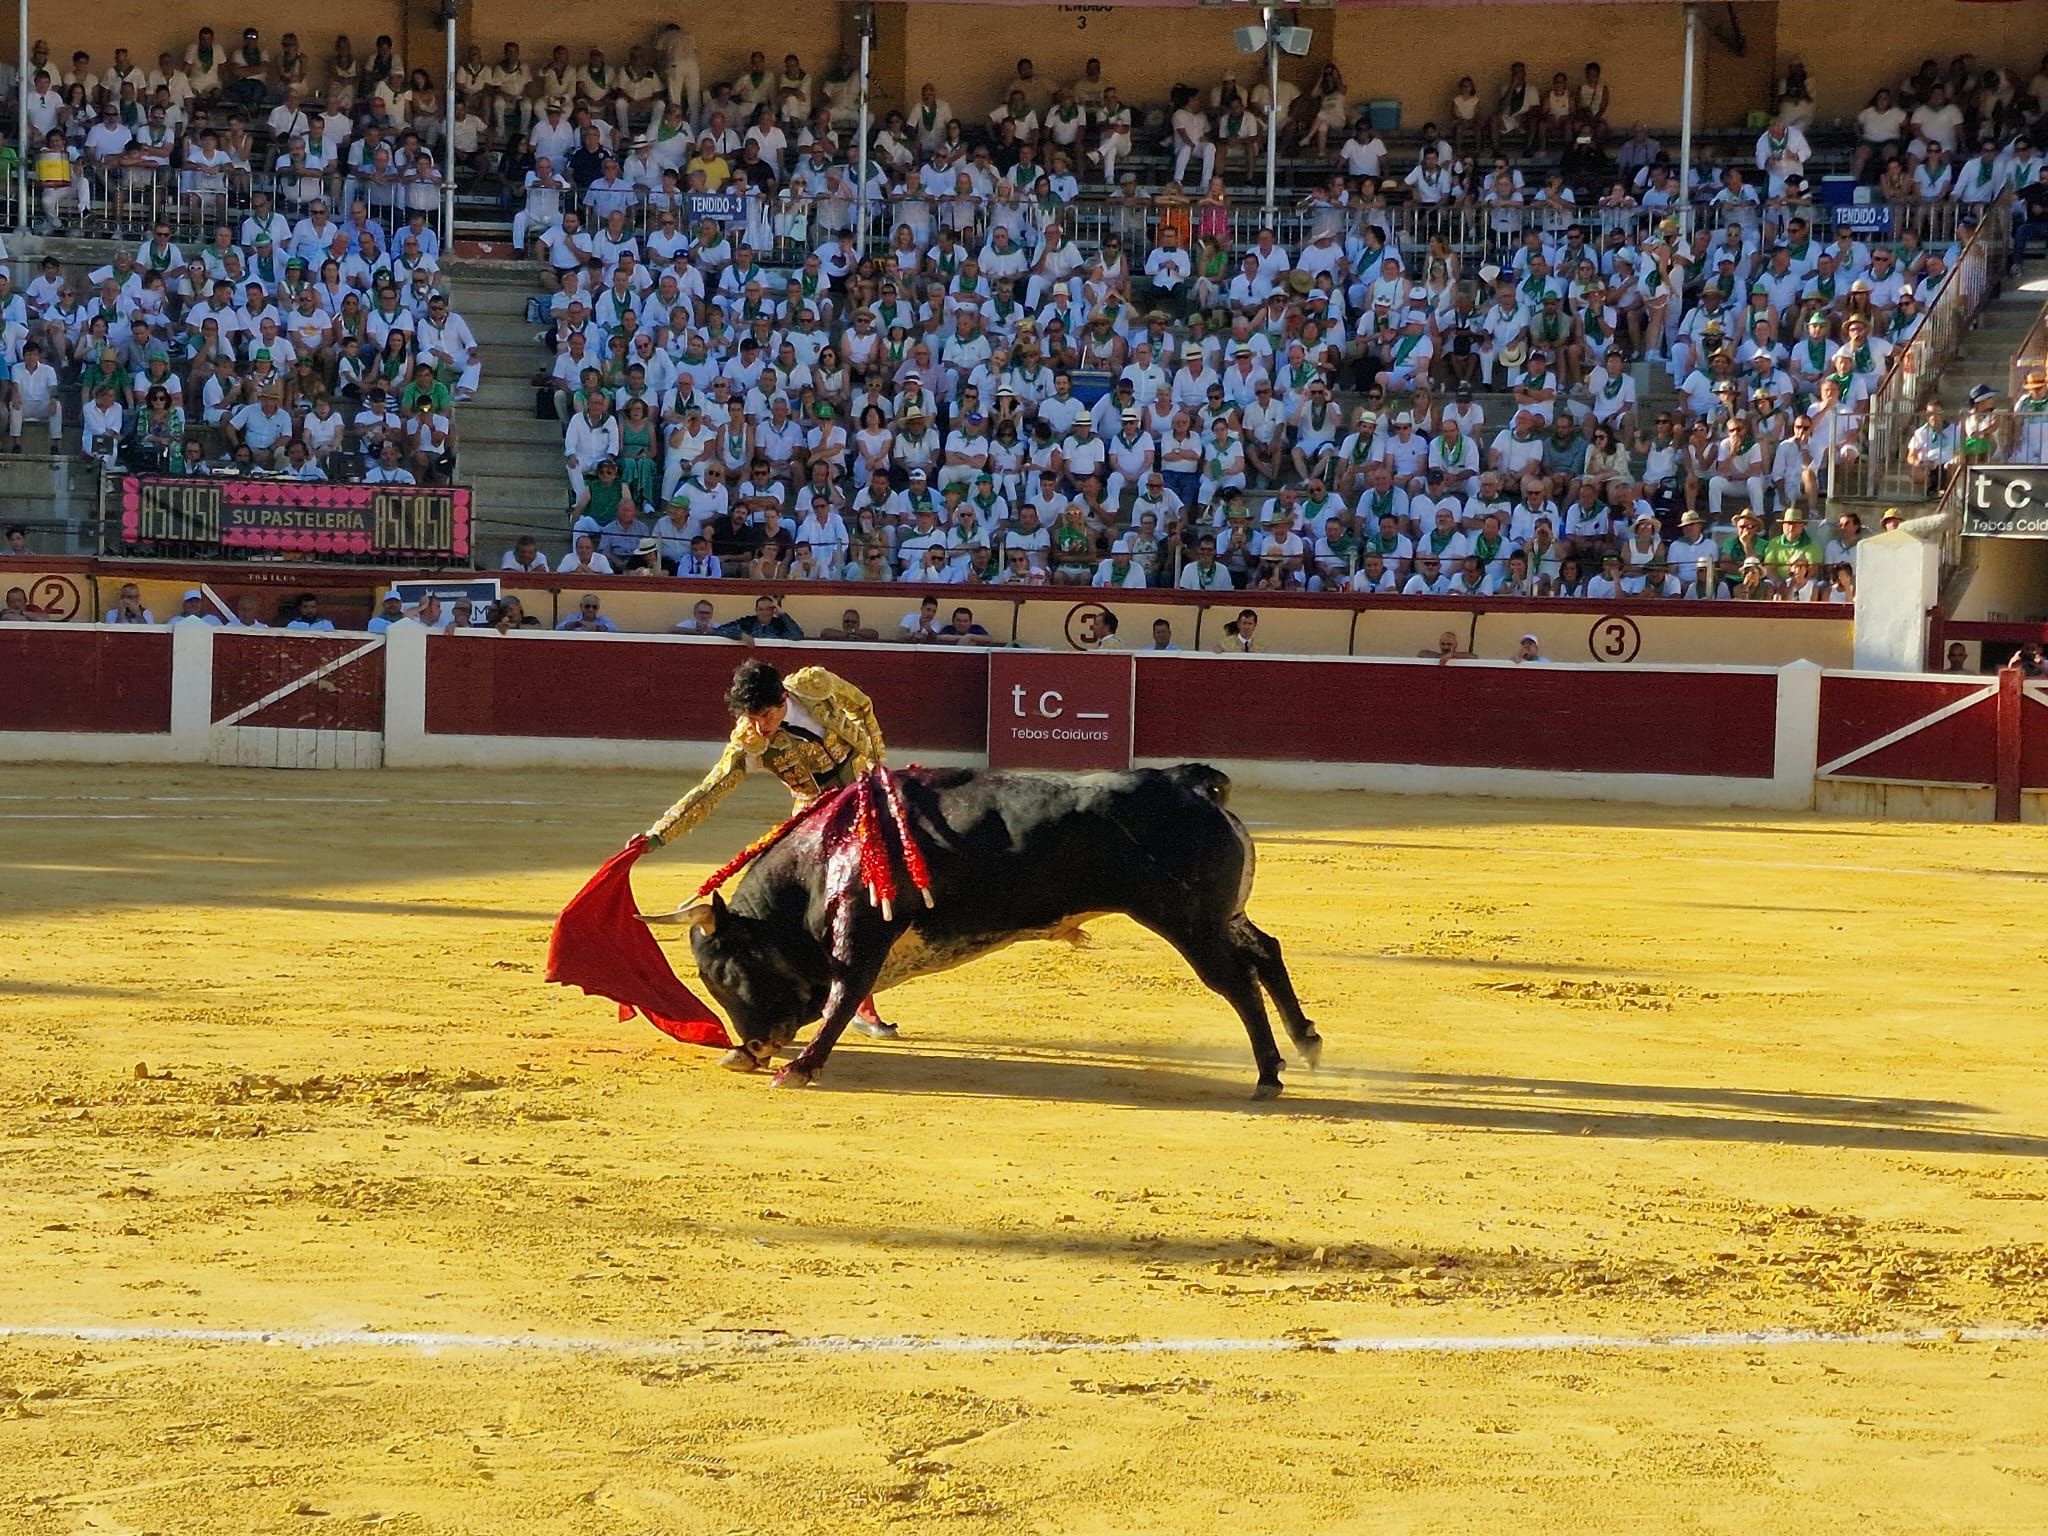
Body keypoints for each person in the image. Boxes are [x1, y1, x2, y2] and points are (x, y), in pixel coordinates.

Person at [641, 656, 898, 1049]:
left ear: (782, 700)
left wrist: (879, 761)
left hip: (866, 793)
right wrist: (661, 832)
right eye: (752, 718)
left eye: (764, 715)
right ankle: (849, 1002)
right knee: (829, 904)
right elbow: (715, 786)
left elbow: (861, 705)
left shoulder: (816, 685)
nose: (759, 726)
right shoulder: (750, 737)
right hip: (815, 814)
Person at [716, 592, 804, 642]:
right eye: (761, 609)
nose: (764, 613)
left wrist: (782, 615)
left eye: (767, 609)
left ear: (773, 611)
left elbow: (798, 635)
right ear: (756, 611)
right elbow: (720, 630)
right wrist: (740, 635)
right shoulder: (748, 623)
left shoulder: (779, 625)